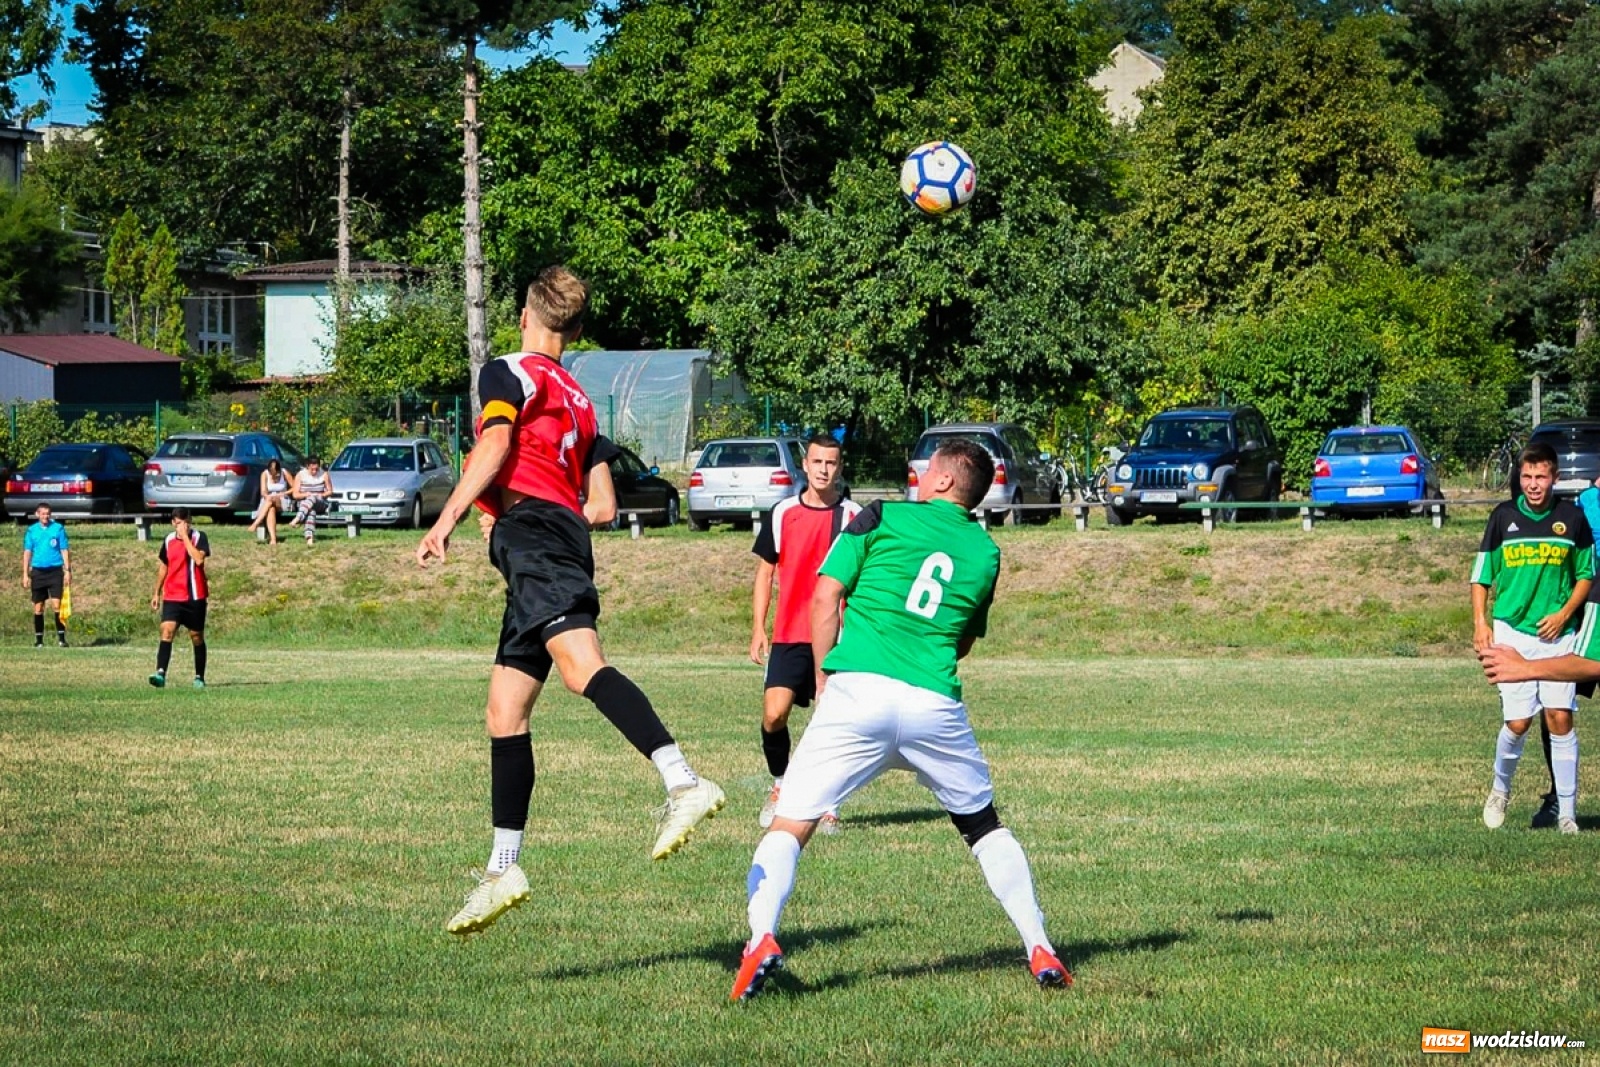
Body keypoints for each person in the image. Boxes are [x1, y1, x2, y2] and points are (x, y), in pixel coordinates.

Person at [416, 265, 723, 937]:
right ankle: (504, 867)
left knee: (584, 668)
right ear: (576, 331)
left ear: (524, 316)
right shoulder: (582, 400)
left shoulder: (506, 372)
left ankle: (682, 779)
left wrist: (448, 521)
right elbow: (604, 506)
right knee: (505, 710)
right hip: (555, 541)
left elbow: (495, 443)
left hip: (537, 542)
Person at [731, 439, 1069, 1001]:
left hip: (858, 691)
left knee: (790, 824)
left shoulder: (881, 514)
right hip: (934, 705)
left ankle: (761, 938)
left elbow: (826, 596)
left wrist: (822, 677)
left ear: (941, 482)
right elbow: (962, 639)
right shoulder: (986, 552)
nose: (919, 473)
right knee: (984, 827)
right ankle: (1039, 946)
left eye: (928, 468)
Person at [1471, 442, 1593, 835]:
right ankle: (1499, 791)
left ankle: (1568, 814)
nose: (1534, 484)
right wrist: (1480, 623)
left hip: (1558, 634)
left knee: (1560, 718)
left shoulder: (1572, 518)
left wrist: (1563, 614)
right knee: (1520, 722)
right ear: (1519, 478)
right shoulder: (1502, 517)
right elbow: (1482, 576)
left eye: (1541, 477)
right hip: (1512, 632)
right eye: (1527, 477)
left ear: (1554, 478)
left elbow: (1586, 575)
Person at [750, 434, 861, 831]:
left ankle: (827, 802)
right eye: (817, 462)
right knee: (773, 714)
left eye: (831, 463)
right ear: (805, 465)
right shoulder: (782, 513)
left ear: (839, 468)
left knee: (828, 723)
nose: (824, 470)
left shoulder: (854, 517)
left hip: (836, 639)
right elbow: (765, 573)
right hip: (789, 634)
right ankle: (781, 784)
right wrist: (758, 629)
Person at [149, 508, 211, 690]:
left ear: (190, 522)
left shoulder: (200, 537)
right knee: (167, 631)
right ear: (173, 523)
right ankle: (160, 673)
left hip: (195, 596)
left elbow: (199, 560)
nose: (182, 526)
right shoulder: (168, 540)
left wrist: (185, 538)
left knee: (196, 636)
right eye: (178, 523)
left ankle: (199, 676)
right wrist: (156, 592)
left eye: (185, 522)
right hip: (173, 595)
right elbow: (163, 567)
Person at [21, 502, 70, 648]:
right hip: (38, 572)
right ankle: (39, 640)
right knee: (38, 607)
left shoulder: (58, 528)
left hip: (55, 571)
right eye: (43, 514)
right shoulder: (32, 531)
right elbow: (27, 552)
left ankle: (61, 639)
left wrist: (67, 570)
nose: (45, 516)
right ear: (37, 514)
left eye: (48, 513)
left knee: (57, 605)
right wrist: (25, 574)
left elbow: (64, 550)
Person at [247, 458, 294, 544]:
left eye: (275, 474)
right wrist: (268, 496)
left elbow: (294, 487)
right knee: (271, 508)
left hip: (282, 499)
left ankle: (256, 523)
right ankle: (273, 539)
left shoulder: (284, 473)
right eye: (271, 474)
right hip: (268, 500)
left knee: (270, 501)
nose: (273, 476)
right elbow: (263, 492)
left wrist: (283, 493)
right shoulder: (264, 474)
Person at [290, 455, 334, 543]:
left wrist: (321, 495)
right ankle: (309, 538)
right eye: (312, 469)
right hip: (303, 503)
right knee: (311, 511)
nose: (314, 471)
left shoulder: (324, 474)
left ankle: (298, 518)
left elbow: (330, 491)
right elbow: (295, 495)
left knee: (313, 497)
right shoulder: (300, 475)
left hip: (320, 502)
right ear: (307, 466)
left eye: (316, 469)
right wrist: (306, 495)